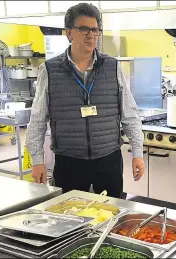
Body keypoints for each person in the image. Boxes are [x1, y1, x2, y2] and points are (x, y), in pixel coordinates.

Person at [26, 3, 144, 198]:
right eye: (84, 29)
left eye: (95, 30)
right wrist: (37, 160)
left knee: (111, 213)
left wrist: (137, 153)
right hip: (69, 161)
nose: (91, 35)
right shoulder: (49, 70)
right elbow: (37, 120)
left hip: (109, 160)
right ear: (69, 33)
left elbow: (130, 115)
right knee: (69, 217)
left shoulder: (112, 67)